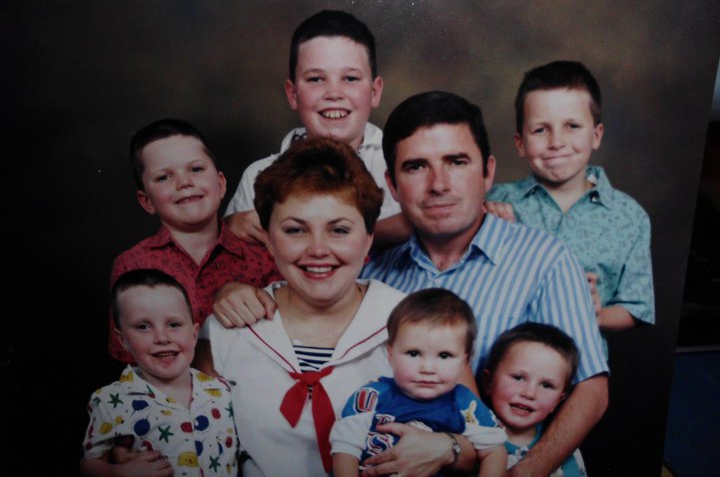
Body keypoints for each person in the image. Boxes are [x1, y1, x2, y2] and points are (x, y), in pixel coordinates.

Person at [212, 91, 609, 476]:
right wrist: (231, 291)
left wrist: (511, 471)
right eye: (416, 167)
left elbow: (591, 388)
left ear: (488, 172)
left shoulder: (545, 258)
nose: (439, 184)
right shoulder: (376, 268)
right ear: (393, 184)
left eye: (456, 162)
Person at [199, 137, 476, 477]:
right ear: (269, 240)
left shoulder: (416, 323)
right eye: (295, 230)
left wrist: (448, 448)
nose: (318, 249)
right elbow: (183, 440)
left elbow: (478, 446)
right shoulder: (231, 327)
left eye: (339, 230)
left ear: (368, 238)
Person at [486, 61, 655, 356]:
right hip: (499, 360)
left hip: (581, 367)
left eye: (572, 126)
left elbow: (636, 308)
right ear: (520, 143)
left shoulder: (629, 216)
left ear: (596, 135)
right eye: (540, 130)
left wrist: (594, 313)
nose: (556, 142)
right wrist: (483, 220)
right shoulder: (497, 201)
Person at [222, 9, 409, 249]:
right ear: (292, 94)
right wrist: (228, 226)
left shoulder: (401, 167)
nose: (334, 93)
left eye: (350, 78)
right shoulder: (257, 176)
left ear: (374, 92)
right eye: (315, 79)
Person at [109, 119, 280, 362]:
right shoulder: (132, 265)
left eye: (196, 169)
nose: (184, 182)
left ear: (220, 184)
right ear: (146, 201)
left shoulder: (263, 255)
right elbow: (128, 359)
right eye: (164, 177)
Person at [331, 288, 507, 477]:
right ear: (391, 355)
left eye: (444, 355)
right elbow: (344, 451)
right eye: (413, 353)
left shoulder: (465, 403)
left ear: (465, 361)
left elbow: (494, 451)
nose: (428, 368)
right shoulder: (371, 396)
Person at [81, 269, 239, 477]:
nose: (162, 337)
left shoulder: (222, 391)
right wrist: (118, 473)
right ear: (122, 340)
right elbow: (89, 464)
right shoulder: (111, 401)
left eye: (174, 324)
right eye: (143, 326)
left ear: (193, 333)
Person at [481, 322, 586, 476]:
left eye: (546, 385)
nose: (529, 393)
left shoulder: (564, 454)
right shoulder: (469, 437)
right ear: (488, 382)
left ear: (558, 401)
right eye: (518, 377)